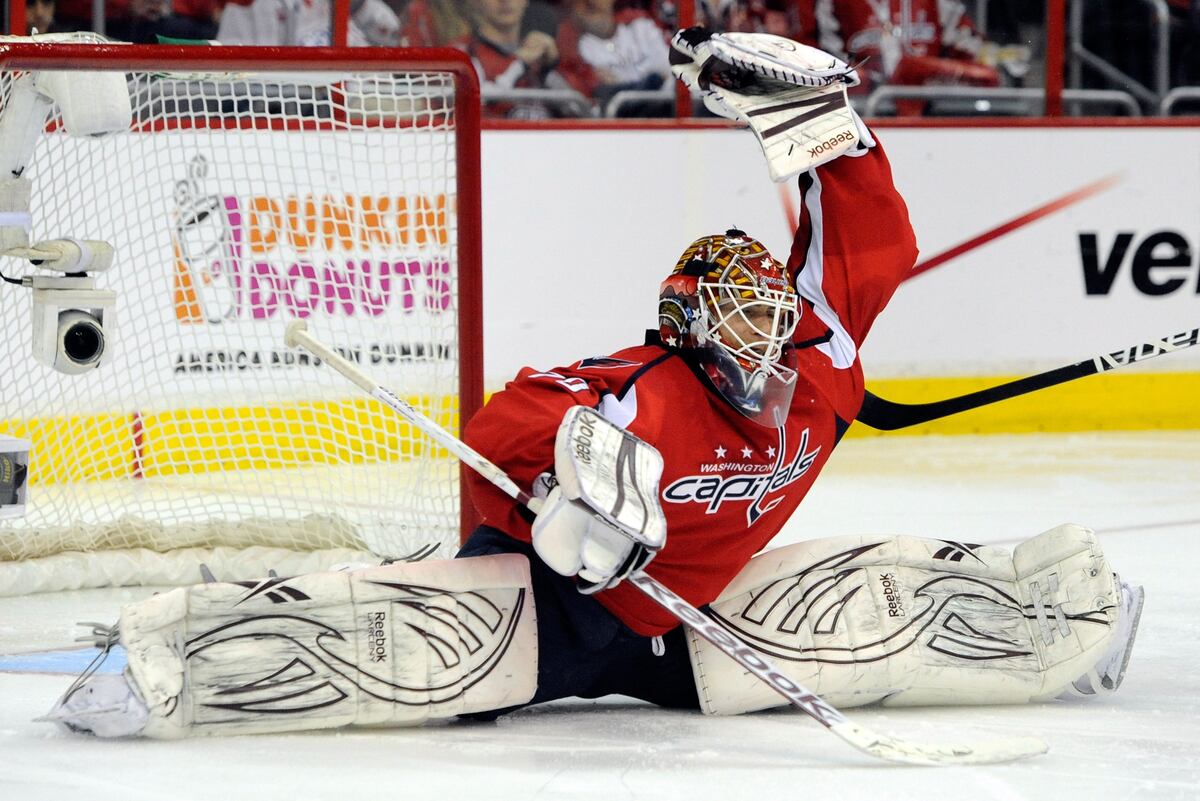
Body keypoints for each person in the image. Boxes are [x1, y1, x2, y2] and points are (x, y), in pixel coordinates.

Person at [42, 27, 1142, 740]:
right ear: (687, 332)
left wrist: (822, 132)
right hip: (556, 609)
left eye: (775, 319)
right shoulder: (640, 393)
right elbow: (502, 429)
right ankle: (161, 660)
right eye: (742, 324)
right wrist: (576, 501)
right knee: (402, 655)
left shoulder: (821, 361)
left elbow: (869, 248)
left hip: (689, 622)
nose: (769, 344)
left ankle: (1081, 612)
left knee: (885, 598)